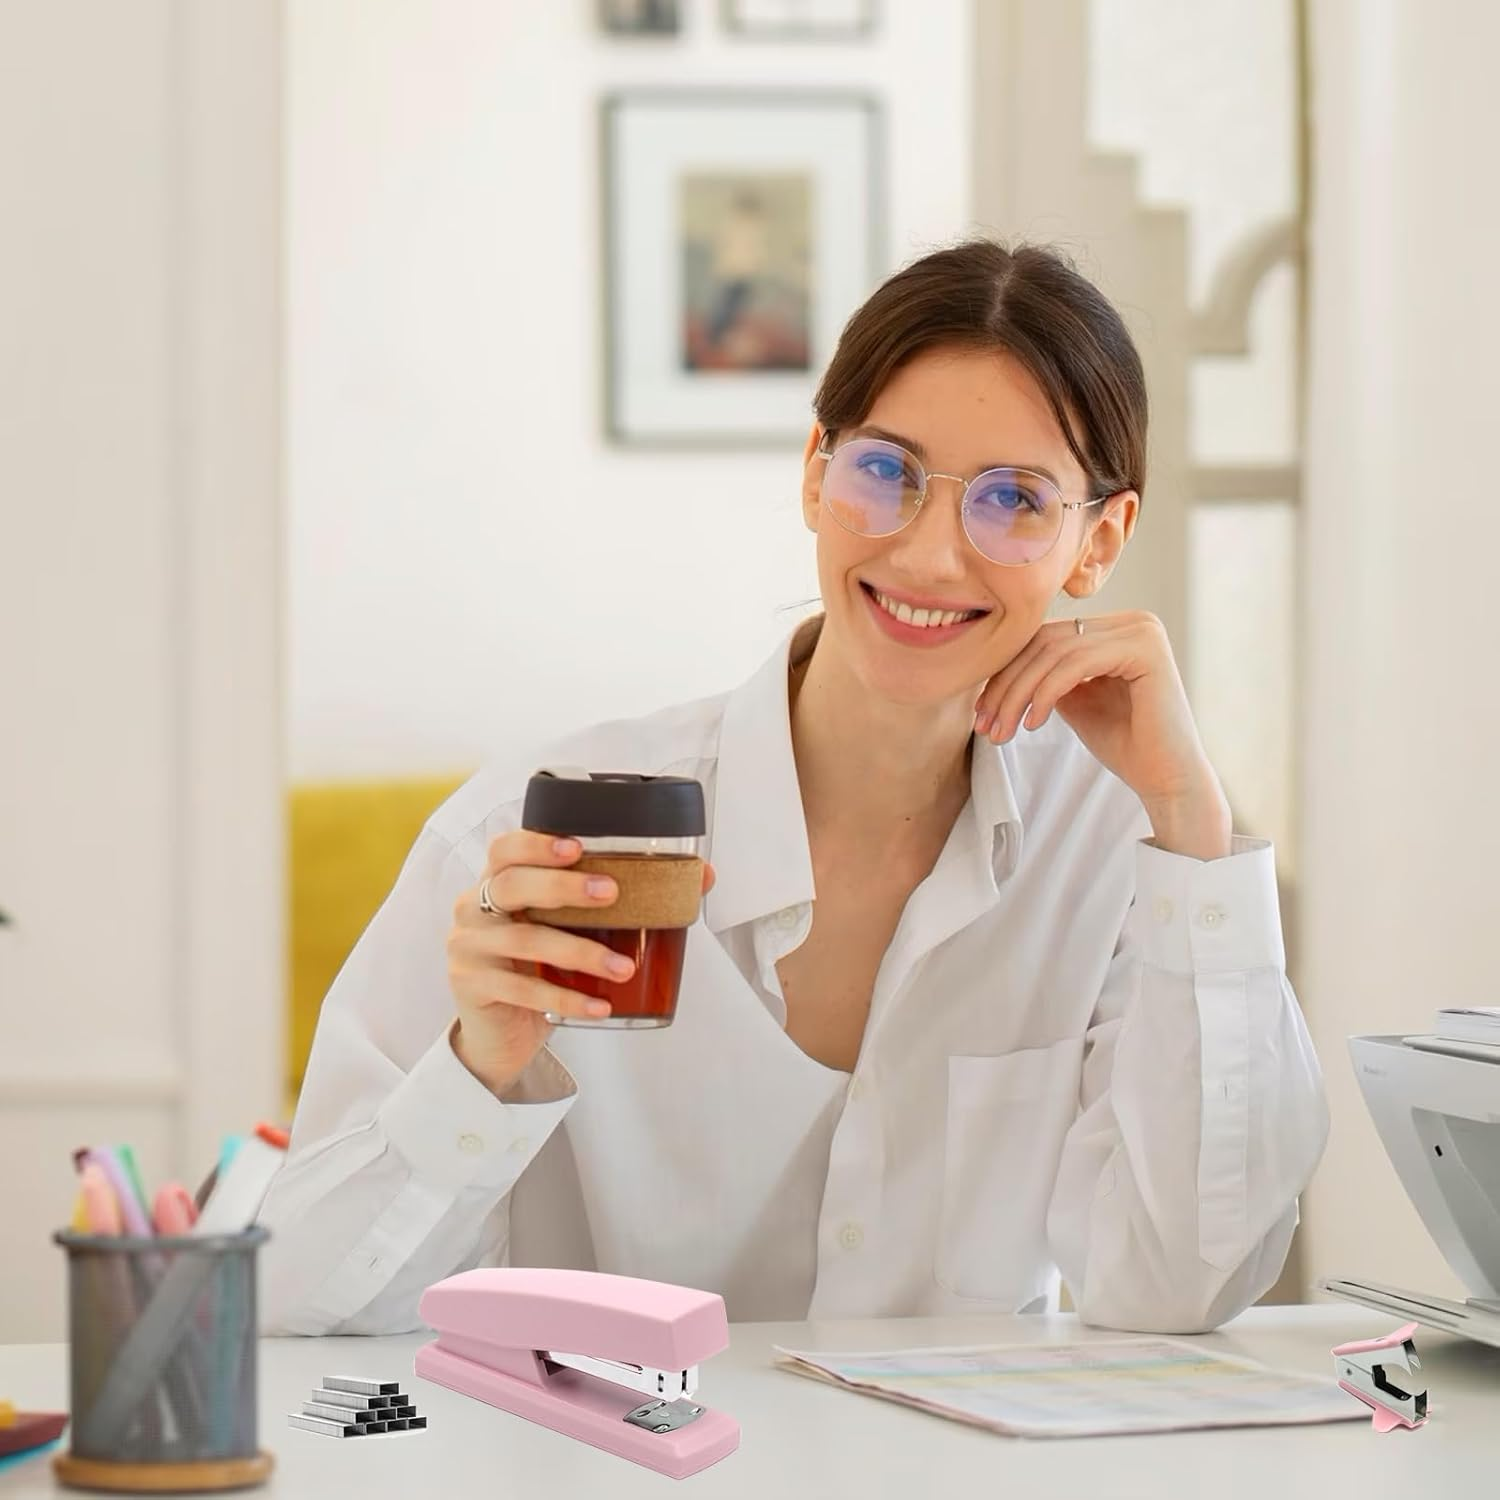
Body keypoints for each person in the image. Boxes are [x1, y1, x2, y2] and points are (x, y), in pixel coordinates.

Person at [257, 238, 1328, 1337]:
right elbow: (297, 1318)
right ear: (817, 472)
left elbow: (1180, 1284)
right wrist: (477, 1070)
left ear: (1098, 542)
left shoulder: (1110, 848)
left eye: (1012, 500)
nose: (928, 556)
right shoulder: (517, 847)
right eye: (886, 473)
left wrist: (1194, 824)